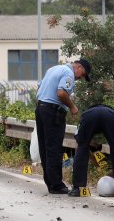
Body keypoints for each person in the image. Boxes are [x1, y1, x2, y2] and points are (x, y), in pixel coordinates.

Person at [34, 58, 91, 194]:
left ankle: (50, 183)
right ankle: (57, 185)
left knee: (44, 148)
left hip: (41, 108)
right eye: (82, 74)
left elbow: (40, 86)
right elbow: (61, 93)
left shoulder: (53, 69)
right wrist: (72, 106)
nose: (80, 78)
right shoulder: (68, 73)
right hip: (53, 112)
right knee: (54, 148)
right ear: (78, 67)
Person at [69, 104, 114, 196]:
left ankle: (77, 189)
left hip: (89, 116)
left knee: (81, 149)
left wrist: (85, 148)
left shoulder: (85, 117)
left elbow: (80, 144)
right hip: (110, 115)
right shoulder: (110, 117)